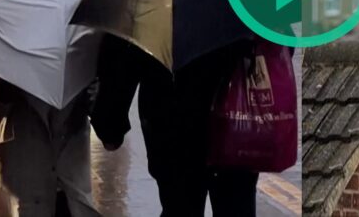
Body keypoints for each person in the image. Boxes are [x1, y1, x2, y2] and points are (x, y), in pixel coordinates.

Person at [90, 34, 258, 217]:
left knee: (180, 206)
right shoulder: (244, 6)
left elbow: (124, 50)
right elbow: (279, 40)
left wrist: (110, 124)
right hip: (238, 123)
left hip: (174, 126)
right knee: (236, 204)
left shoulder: (156, 6)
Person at [0, 82, 101, 217]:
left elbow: (111, 133)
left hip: (69, 186)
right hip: (24, 178)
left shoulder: (83, 67)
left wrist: (99, 97)